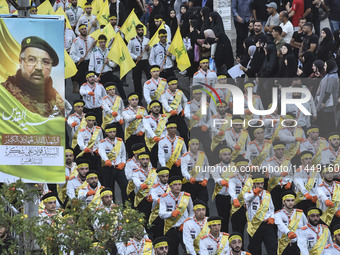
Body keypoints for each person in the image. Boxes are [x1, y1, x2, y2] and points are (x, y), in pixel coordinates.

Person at [1, 36, 64, 117]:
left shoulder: (55, 96)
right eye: (31, 60)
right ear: (20, 62)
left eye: (45, 62)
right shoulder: (4, 93)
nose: (38, 67)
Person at [159, 176, 194, 255]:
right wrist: (171, 213)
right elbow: (161, 214)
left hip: (184, 228)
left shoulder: (186, 196)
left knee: (189, 250)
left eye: (179, 184)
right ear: (170, 186)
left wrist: (186, 223)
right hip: (171, 228)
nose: (178, 187)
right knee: (172, 252)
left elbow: (192, 212)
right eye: (175, 185)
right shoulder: (164, 197)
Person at [244, 175, 277, 255]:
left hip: (267, 225)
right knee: (255, 250)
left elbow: (272, 208)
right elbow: (248, 199)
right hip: (255, 226)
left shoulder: (267, 194)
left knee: (272, 248)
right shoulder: (248, 194)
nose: (260, 186)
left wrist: (272, 217)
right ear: (254, 184)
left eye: (262, 183)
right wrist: (254, 194)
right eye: (258, 184)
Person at [98, 123, 128, 203]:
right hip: (108, 168)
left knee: (125, 186)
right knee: (109, 188)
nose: (112, 133)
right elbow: (101, 152)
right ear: (106, 133)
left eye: (114, 131)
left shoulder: (120, 141)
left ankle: (126, 205)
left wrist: (123, 163)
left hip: (119, 168)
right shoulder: (102, 143)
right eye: (110, 132)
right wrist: (106, 160)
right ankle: (111, 205)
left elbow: (123, 154)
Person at [88, 35, 124, 100]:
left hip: (109, 73)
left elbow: (114, 64)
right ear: (98, 42)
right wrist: (95, 77)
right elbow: (91, 66)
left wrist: (108, 63)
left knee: (118, 81)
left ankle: (124, 99)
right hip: (99, 74)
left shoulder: (109, 51)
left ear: (106, 42)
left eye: (104, 42)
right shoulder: (94, 52)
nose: (102, 44)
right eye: (101, 42)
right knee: (99, 90)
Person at [263, 141, 293, 211]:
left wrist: (290, 182)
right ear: (274, 150)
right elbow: (272, 171)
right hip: (275, 186)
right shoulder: (269, 161)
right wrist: (281, 173)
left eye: (282, 149)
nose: (280, 151)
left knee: (287, 207)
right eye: (278, 149)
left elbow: (291, 174)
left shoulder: (287, 161)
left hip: (286, 186)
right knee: (275, 207)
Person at [228, 156, 252, 237]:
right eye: (241, 166)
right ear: (237, 166)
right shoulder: (233, 178)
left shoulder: (250, 178)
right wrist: (235, 199)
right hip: (237, 206)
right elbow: (231, 189)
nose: (243, 168)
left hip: (249, 207)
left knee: (251, 230)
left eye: (245, 166)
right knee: (238, 230)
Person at [160, 76, 188, 143]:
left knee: (184, 131)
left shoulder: (179, 92)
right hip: (170, 116)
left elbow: (185, 100)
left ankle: (185, 146)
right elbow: (165, 105)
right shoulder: (164, 94)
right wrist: (171, 110)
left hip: (179, 115)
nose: (175, 86)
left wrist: (184, 109)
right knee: (171, 133)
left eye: (176, 84)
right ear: (168, 85)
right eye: (173, 84)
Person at [181, 139, 209, 204]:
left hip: (201, 183)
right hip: (189, 184)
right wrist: (190, 177)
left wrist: (206, 179)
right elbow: (184, 171)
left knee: (204, 203)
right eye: (193, 144)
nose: (195, 146)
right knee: (190, 203)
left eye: (196, 144)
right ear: (189, 146)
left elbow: (207, 169)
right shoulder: (185, 157)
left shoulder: (203, 155)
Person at [132, 152, 157, 227]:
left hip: (152, 198)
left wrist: (152, 195)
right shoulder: (136, 172)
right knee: (142, 219)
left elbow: (156, 185)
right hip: (141, 198)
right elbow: (136, 181)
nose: (145, 161)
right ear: (139, 161)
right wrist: (141, 185)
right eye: (143, 159)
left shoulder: (154, 172)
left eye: (147, 159)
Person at [315, 60, 339, 136]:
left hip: (328, 104)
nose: (324, 67)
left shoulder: (332, 77)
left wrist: (323, 102)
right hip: (328, 102)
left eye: (325, 66)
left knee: (327, 121)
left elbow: (328, 91)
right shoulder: (331, 75)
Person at [69, 25, 96, 90]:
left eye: (85, 29)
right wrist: (78, 59)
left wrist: (94, 46)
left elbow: (95, 51)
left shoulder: (91, 39)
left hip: (90, 63)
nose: (84, 30)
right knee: (82, 83)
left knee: (92, 81)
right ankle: (82, 98)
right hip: (81, 64)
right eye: (82, 29)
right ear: (79, 31)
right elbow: (71, 54)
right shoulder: (76, 41)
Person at [128, 24, 151, 99]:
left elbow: (152, 52)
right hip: (136, 62)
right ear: (136, 31)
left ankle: (151, 94)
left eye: (142, 30)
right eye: (139, 30)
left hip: (145, 61)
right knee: (137, 80)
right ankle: (139, 97)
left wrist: (149, 49)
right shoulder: (132, 41)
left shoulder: (147, 40)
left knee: (150, 78)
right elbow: (128, 52)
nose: (141, 31)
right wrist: (135, 57)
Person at [143, 100, 168, 166]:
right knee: (153, 162)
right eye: (155, 107)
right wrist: (154, 137)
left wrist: (161, 139)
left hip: (162, 142)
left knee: (165, 160)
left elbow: (165, 130)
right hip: (151, 143)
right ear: (151, 109)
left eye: (158, 107)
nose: (157, 109)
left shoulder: (164, 118)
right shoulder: (146, 118)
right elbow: (148, 129)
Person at [122, 93, 147, 158]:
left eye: (136, 99)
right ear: (129, 101)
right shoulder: (125, 111)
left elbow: (147, 122)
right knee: (131, 154)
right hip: (130, 135)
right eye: (132, 100)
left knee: (142, 154)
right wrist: (135, 116)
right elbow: (127, 119)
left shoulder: (142, 110)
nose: (134, 101)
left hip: (140, 135)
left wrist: (142, 130)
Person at [316, 165, 340, 230]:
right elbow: (321, 195)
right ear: (322, 175)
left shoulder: (338, 185)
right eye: (327, 173)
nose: (329, 175)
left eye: (331, 172)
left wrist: (337, 210)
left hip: (337, 215)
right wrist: (326, 200)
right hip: (325, 217)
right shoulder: (319, 187)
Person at [149, 167, 170, 239]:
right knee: (157, 235)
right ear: (158, 177)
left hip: (168, 213)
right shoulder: (154, 188)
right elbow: (154, 197)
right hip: (157, 214)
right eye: (163, 176)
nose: (165, 178)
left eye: (167, 176)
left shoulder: (171, 187)